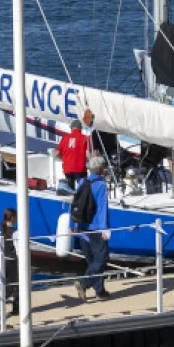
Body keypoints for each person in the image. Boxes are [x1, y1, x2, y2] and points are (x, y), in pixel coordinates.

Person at [72, 156, 112, 301]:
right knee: (101, 259)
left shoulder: (82, 182)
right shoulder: (101, 184)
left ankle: (100, 291)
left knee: (92, 260)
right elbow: (102, 208)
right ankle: (83, 283)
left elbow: (76, 204)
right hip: (96, 227)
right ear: (100, 169)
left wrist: (75, 225)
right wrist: (105, 229)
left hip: (82, 226)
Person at [0, 208, 20, 318]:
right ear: (13, 218)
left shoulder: (3, 230)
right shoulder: (14, 233)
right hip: (13, 261)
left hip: (4, 260)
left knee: (10, 283)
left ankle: (15, 307)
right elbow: (18, 248)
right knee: (16, 285)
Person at [56, 119, 89, 186]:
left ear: (71, 128)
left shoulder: (65, 138)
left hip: (67, 169)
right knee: (83, 190)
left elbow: (57, 153)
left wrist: (64, 158)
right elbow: (88, 154)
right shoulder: (84, 138)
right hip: (80, 169)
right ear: (80, 128)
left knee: (69, 191)